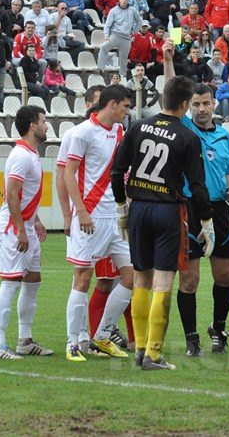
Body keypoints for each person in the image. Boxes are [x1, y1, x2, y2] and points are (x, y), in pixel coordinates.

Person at [110, 39, 213, 371]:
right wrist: (207, 225)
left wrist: (122, 208)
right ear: (184, 105)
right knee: (163, 282)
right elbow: (197, 188)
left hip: (138, 208)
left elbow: (117, 171)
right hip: (168, 211)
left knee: (141, 279)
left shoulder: (138, 126)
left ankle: (140, 348)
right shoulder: (187, 137)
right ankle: (154, 353)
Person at [62, 85, 135, 362]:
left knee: (132, 276)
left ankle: (102, 336)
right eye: (126, 106)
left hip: (116, 218)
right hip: (90, 217)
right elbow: (68, 173)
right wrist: (79, 211)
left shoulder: (119, 132)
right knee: (83, 278)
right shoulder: (82, 133)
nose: (127, 112)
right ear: (112, 104)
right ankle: (72, 343)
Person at [176, 84, 229, 356]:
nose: (201, 109)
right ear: (188, 107)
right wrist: (168, 60)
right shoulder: (185, 129)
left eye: (205, 104)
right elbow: (172, 92)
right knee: (189, 280)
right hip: (189, 208)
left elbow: (226, 172)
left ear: (214, 104)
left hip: (219, 210)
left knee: (225, 276)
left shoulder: (225, 136)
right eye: (195, 105)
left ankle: (218, 329)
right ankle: (192, 339)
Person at [0, 105, 53, 359]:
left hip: (26, 227)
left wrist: (35, 221)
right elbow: (12, 194)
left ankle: (25, 340)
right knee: (11, 282)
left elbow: (25, 194)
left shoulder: (30, 154)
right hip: (12, 229)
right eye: (43, 121)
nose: (47, 125)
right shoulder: (21, 156)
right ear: (32, 125)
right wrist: (20, 230)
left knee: (33, 281)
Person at [98, 0, 142, 77]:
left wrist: (133, 32)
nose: (124, 1)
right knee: (104, 47)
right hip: (115, 35)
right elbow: (107, 25)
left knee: (123, 58)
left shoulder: (132, 10)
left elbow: (139, 22)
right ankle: (100, 68)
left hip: (126, 37)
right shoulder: (113, 10)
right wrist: (106, 35)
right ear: (119, 0)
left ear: (128, 1)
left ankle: (122, 75)